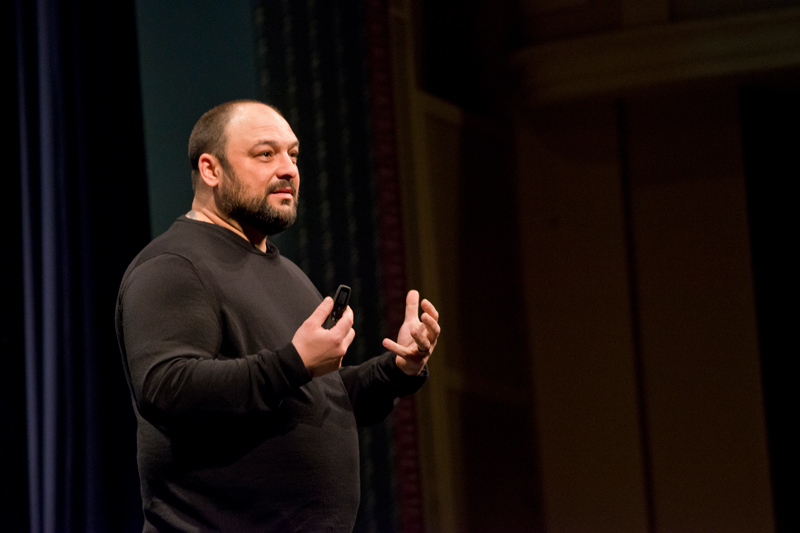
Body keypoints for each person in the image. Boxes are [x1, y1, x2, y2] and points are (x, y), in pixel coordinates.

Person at [115, 100, 440, 532]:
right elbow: (167, 388)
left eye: (294, 154)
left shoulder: (287, 273)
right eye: (266, 154)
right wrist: (293, 362)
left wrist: (398, 369)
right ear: (211, 170)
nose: (289, 169)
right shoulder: (174, 265)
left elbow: (315, 401)